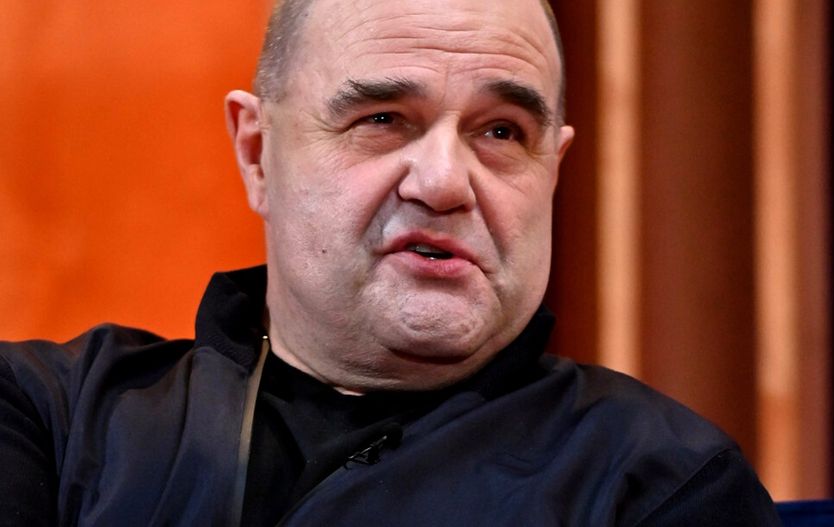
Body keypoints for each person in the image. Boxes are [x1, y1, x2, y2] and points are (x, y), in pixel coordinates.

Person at [0, 0, 781, 525]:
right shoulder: (51, 419)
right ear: (258, 152)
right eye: (382, 119)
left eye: (502, 132)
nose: (443, 183)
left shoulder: (659, 483)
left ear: (554, 169)